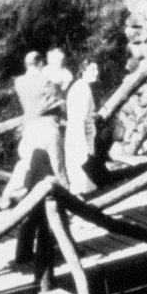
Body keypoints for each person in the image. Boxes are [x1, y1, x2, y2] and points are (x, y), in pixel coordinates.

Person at [11, 52, 68, 274]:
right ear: (41, 64)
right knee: (57, 185)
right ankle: (63, 245)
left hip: (30, 130)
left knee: (30, 191)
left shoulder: (20, 82)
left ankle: (23, 251)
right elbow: (58, 97)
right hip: (46, 129)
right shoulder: (46, 82)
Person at [63, 55, 103, 194]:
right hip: (79, 137)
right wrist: (83, 146)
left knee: (84, 178)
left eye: (97, 69)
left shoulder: (82, 86)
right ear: (83, 70)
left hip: (82, 134)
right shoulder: (81, 89)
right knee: (83, 175)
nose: (96, 72)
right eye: (92, 69)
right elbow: (79, 119)